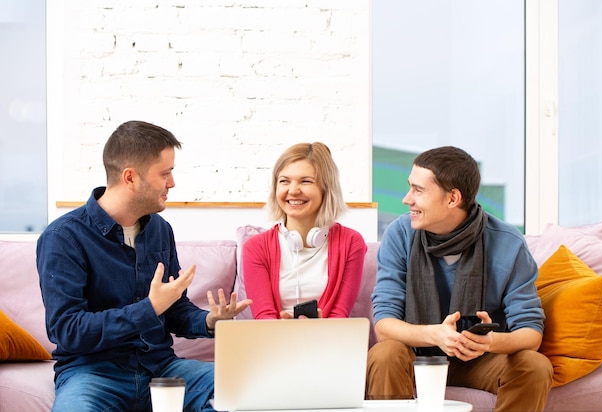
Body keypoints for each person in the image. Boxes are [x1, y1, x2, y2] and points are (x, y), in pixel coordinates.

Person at [36, 120, 252, 412]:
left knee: (248, 390)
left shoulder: (160, 230)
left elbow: (174, 310)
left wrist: (209, 322)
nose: (172, 183)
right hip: (93, 374)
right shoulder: (64, 237)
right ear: (130, 178)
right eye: (165, 173)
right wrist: (148, 309)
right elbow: (68, 330)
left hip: (161, 369)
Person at [366, 146, 553, 411]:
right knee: (385, 354)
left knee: (534, 365)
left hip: (478, 360)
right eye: (410, 188)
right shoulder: (400, 234)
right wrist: (435, 335)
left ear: (452, 198)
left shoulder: (507, 243)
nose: (407, 199)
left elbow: (531, 332)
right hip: (417, 355)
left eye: (418, 190)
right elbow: (384, 325)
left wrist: (490, 342)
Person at [242, 142, 367, 319]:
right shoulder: (256, 247)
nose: (293, 190)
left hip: (327, 341)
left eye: (306, 181)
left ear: (326, 188)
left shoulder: (351, 242)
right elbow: (264, 318)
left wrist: (313, 330)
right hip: (273, 341)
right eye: (284, 181)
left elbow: (339, 315)